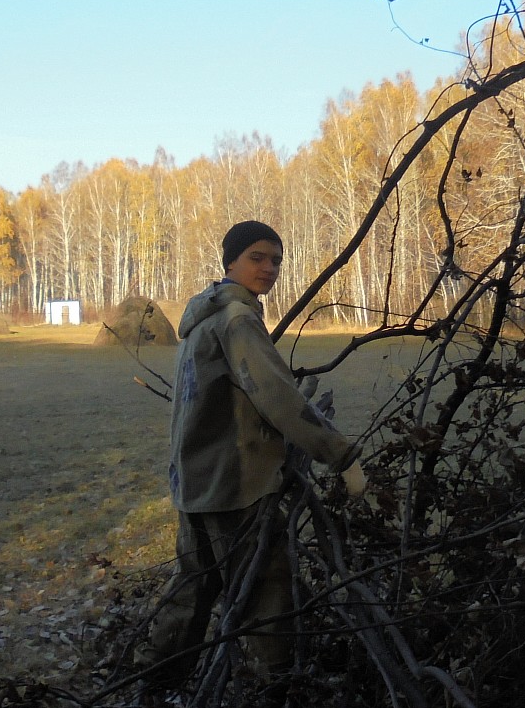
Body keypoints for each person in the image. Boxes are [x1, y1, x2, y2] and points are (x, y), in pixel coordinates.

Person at [134, 220, 366, 684]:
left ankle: (153, 686)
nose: (268, 268)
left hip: (196, 479)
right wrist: (340, 454)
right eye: (256, 257)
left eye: (276, 260)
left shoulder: (203, 317)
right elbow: (277, 397)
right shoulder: (237, 320)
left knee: (192, 589)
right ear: (231, 261)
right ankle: (273, 686)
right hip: (235, 483)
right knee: (267, 589)